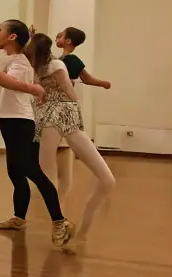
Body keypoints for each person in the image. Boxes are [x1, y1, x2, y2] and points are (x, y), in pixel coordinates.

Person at [0, 21, 75, 249]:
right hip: (9, 120)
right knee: (15, 171)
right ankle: (19, 218)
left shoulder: (20, 63)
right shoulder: (14, 59)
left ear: (11, 37)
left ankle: (60, 221)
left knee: (31, 170)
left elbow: (5, 81)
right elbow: (4, 71)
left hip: (20, 121)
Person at [27, 32, 115, 242]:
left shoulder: (39, 69)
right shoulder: (55, 65)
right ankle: (68, 229)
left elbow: (66, 86)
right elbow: (68, 88)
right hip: (62, 117)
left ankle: (66, 228)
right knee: (59, 180)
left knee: (54, 179)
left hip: (53, 118)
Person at [49, 26, 113, 197]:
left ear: (68, 41)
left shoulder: (70, 60)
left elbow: (85, 77)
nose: (57, 36)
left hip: (60, 107)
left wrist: (102, 83)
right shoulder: (59, 58)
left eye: (61, 35)